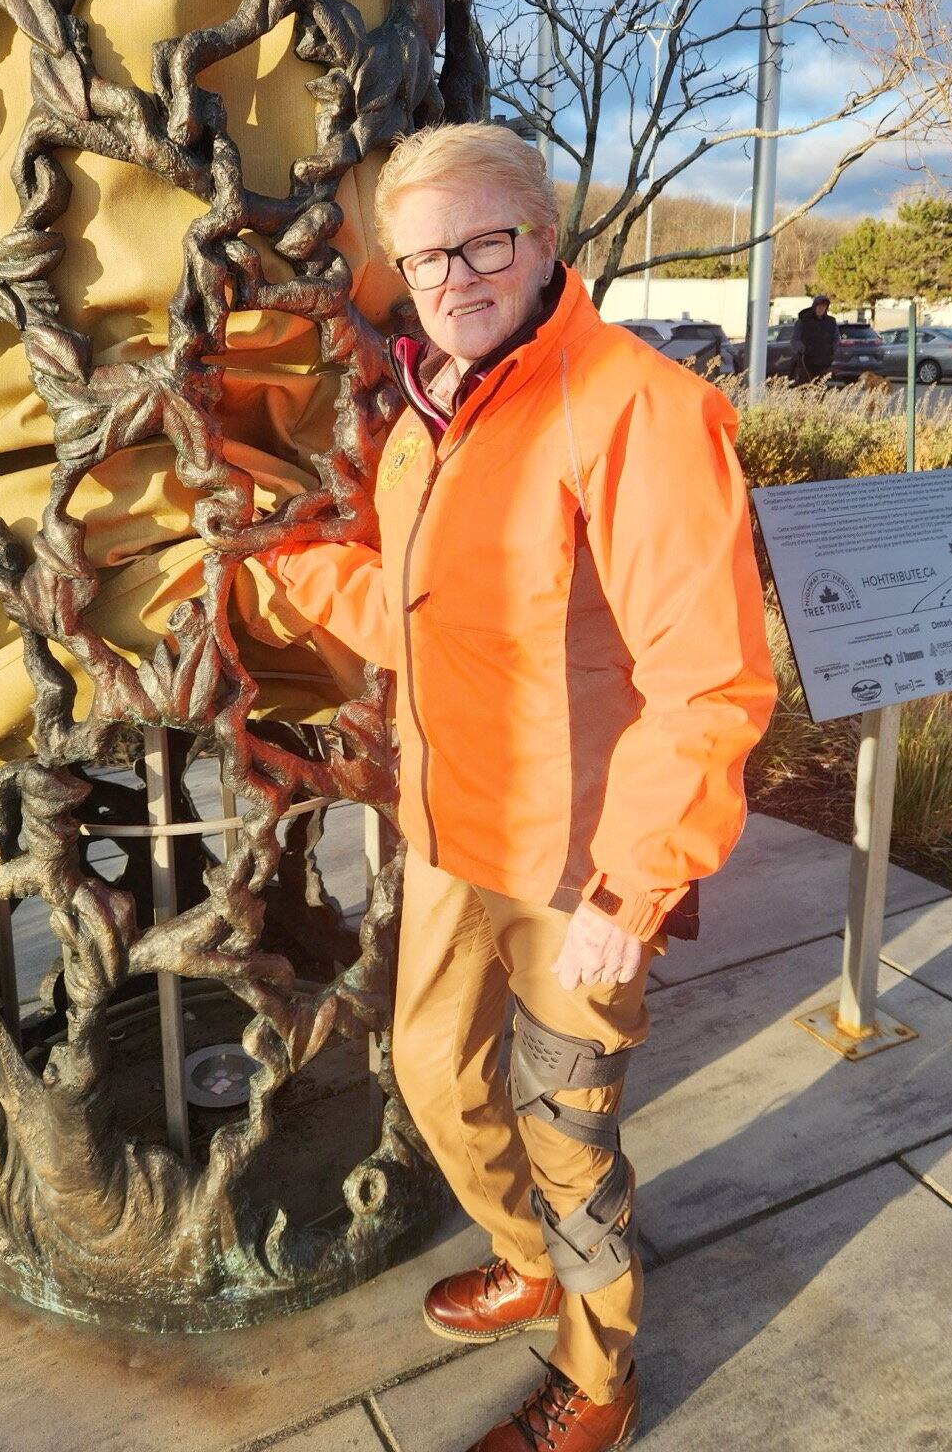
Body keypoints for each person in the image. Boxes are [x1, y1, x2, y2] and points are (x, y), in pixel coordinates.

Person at [257, 123, 775, 1451]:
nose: (456, 275)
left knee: (568, 1127)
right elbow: (427, 613)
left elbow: (712, 682)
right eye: (427, 255)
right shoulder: (435, 414)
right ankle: (526, 1256)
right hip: (451, 827)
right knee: (433, 1070)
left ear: (547, 240)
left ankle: (598, 1377)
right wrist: (277, 567)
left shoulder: (637, 408)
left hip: (584, 862)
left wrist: (637, 883)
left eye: (485, 241)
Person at [791, 293, 838, 383]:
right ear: (814, 306)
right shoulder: (803, 321)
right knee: (805, 389)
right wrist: (802, 348)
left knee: (820, 390)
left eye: (824, 307)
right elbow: (794, 340)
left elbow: (836, 339)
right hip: (806, 362)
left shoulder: (831, 322)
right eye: (819, 306)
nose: (821, 309)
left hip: (824, 363)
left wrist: (832, 352)